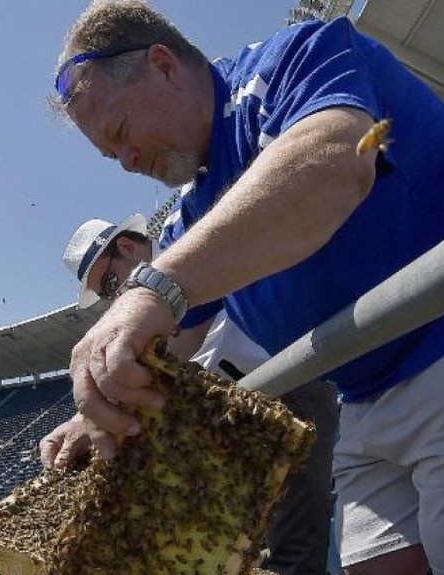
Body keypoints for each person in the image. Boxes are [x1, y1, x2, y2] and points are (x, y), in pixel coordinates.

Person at [50, 2, 444, 574]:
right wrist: (100, 404)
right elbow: (170, 341)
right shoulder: (192, 209)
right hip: (368, 386)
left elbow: (333, 161)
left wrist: (153, 287)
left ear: (162, 63)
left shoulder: (300, 55)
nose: (126, 160)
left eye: (122, 131)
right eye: (111, 155)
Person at [44, 212, 339, 575]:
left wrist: (94, 406)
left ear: (125, 246)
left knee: (295, 549)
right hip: (232, 416)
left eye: (109, 281)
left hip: (286, 389)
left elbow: (175, 344)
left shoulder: (188, 249)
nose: (114, 295)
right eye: (107, 293)